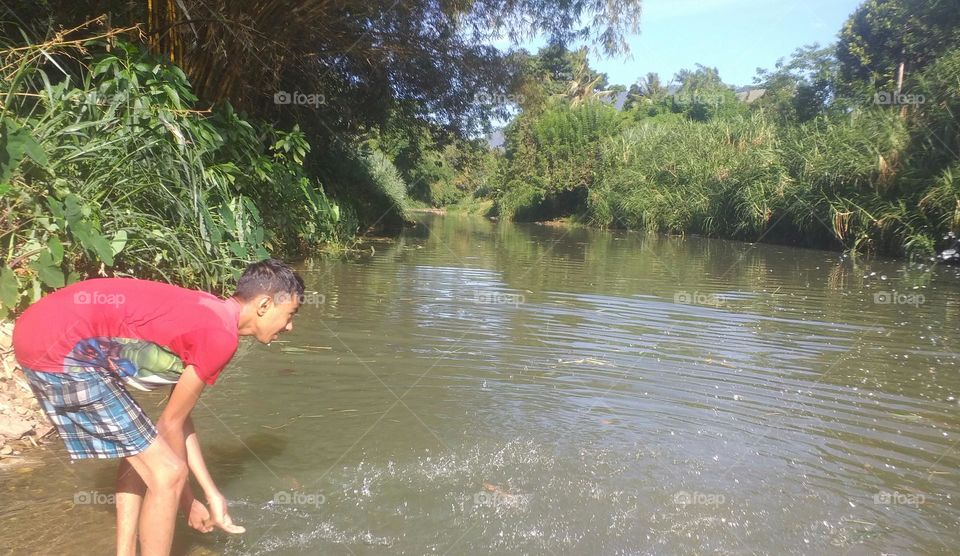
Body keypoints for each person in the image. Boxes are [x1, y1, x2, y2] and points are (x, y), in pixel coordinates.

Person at [12, 259, 304, 556]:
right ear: (265, 305)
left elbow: (176, 419)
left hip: (40, 331)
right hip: (60, 351)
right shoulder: (221, 337)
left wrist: (211, 493)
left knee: (145, 449)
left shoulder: (211, 311)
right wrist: (187, 499)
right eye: (290, 314)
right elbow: (170, 426)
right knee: (168, 473)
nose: (290, 325)